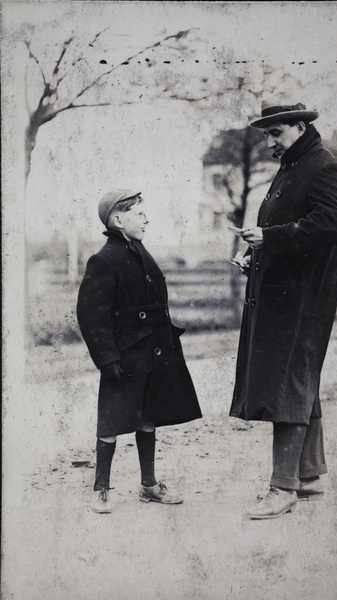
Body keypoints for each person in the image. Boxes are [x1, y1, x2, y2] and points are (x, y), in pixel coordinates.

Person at [229, 103, 337, 519]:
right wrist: (255, 252)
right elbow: (284, 227)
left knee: (289, 381)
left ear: (300, 127)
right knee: (299, 377)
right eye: (267, 135)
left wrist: (269, 237)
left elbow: (333, 223)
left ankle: (282, 489)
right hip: (284, 293)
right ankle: (309, 475)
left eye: (276, 133)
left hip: (304, 298)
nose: (270, 143)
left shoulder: (324, 167)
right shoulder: (294, 167)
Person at [77, 189, 202, 513]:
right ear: (118, 220)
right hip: (126, 354)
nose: (146, 218)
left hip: (155, 350)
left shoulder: (141, 252)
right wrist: (108, 358)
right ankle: (100, 489)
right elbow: (92, 316)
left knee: (149, 417)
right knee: (111, 420)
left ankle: (149, 485)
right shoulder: (104, 259)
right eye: (138, 213)